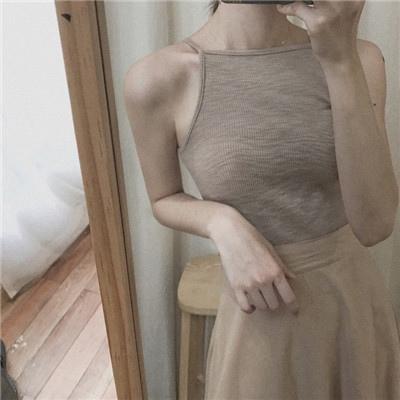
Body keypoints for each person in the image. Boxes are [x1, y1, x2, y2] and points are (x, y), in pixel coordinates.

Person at [123, 0, 400, 398]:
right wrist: (220, 222)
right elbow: (163, 197)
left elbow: (375, 224)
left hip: (353, 310)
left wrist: (340, 62)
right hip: (257, 321)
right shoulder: (158, 79)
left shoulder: (360, 58)